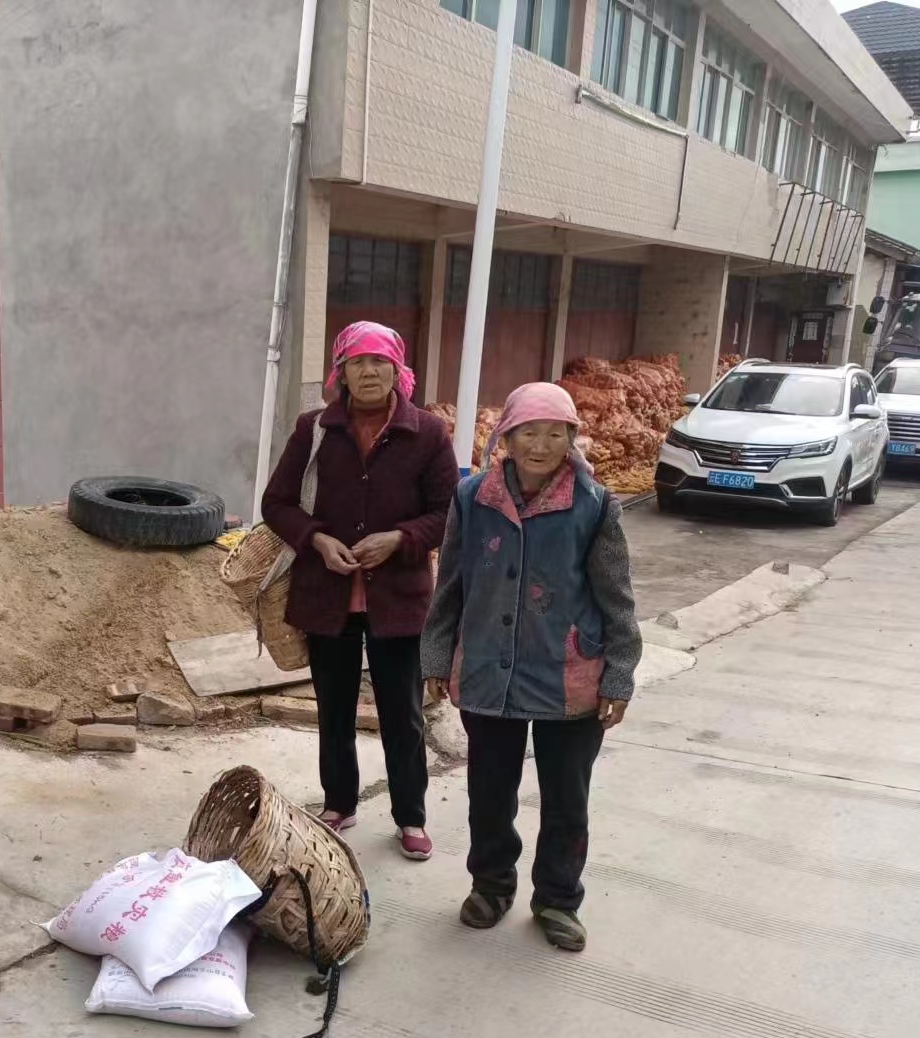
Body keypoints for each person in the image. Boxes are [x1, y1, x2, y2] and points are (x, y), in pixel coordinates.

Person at [420, 382, 640, 950]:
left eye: (555, 434)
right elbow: (450, 584)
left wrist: (619, 675)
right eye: (529, 433)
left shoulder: (594, 505)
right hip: (488, 670)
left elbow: (617, 599)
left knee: (567, 799)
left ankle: (558, 900)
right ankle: (491, 885)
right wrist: (437, 656)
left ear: (571, 439)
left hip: (570, 675)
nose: (541, 446)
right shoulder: (473, 498)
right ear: (507, 438)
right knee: (490, 793)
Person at [263, 321, 459, 859]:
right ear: (341, 372)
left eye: (379, 362)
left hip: (399, 600)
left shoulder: (428, 433)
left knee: (403, 714)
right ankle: (339, 802)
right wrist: (317, 539)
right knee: (335, 710)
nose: (369, 372)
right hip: (328, 596)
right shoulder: (314, 429)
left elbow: (448, 512)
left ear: (398, 370)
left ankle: (410, 816)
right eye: (357, 362)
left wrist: (400, 539)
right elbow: (276, 503)